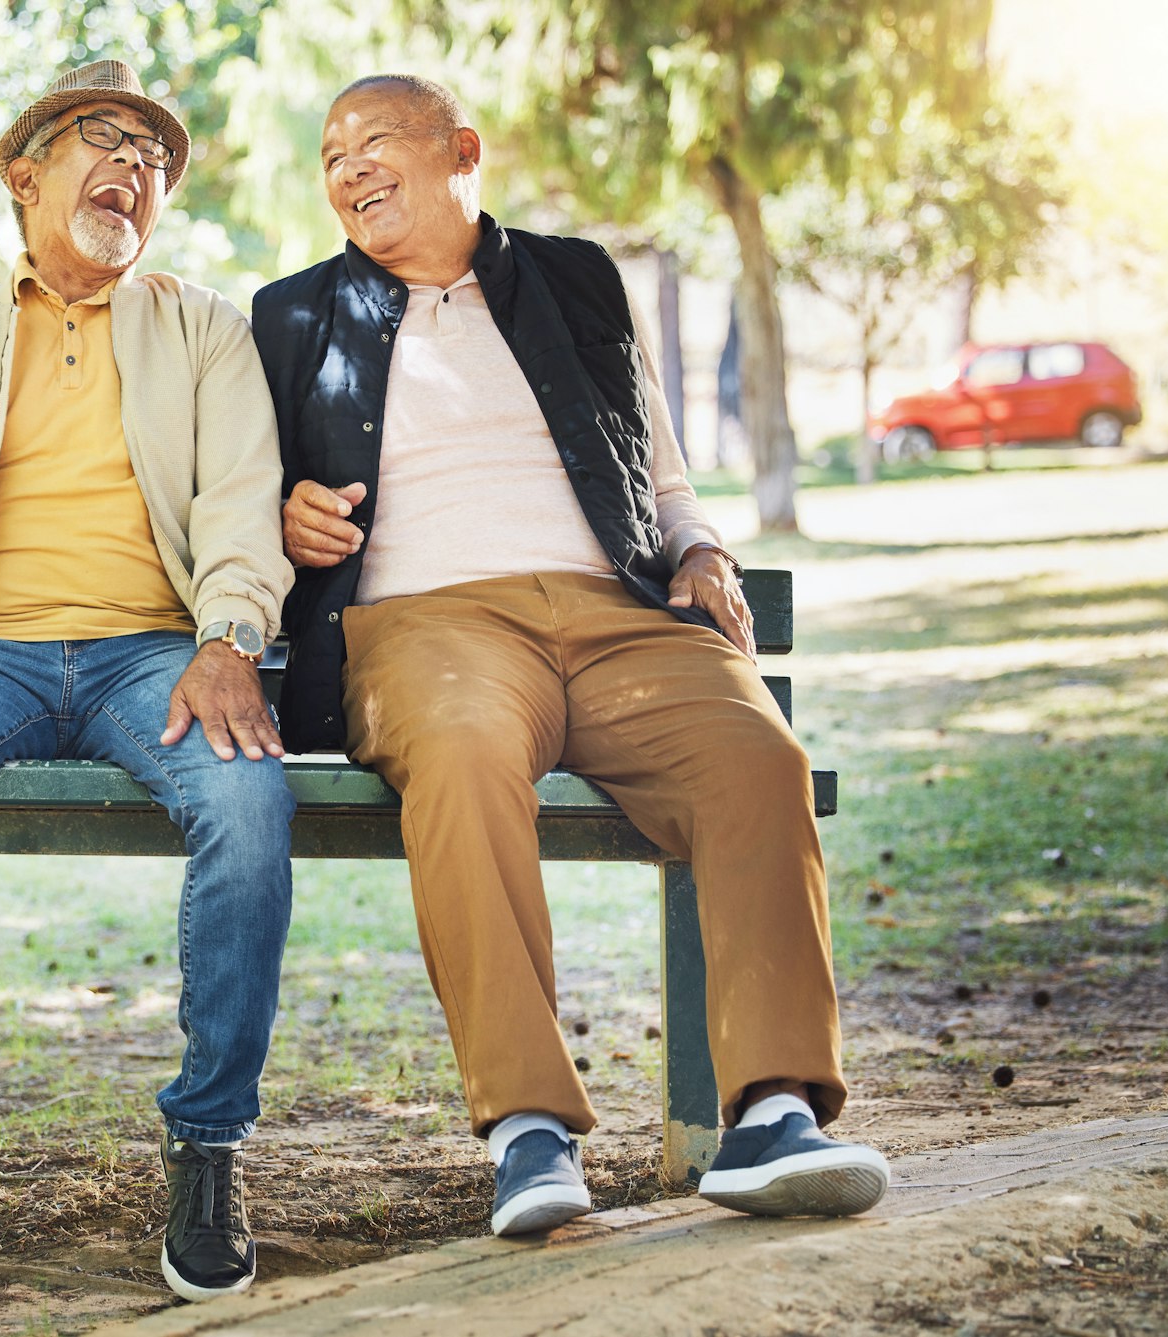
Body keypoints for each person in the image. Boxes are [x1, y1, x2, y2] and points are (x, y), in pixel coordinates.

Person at [251, 74, 889, 1235]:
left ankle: (775, 1111)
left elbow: (660, 469)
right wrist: (281, 516)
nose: (347, 169)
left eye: (374, 142)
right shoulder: (292, 317)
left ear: (460, 149)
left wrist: (697, 550)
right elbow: (236, 498)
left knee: (756, 756)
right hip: (426, 625)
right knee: (458, 753)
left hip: (617, 611)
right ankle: (527, 1130)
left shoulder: (576, 279)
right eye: (331, 155)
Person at [0, 60, 294, 1300]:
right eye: (103, 137)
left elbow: (243, 504)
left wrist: (228, 636)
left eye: (153, 154)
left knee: (246, 804)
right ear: (24, 174)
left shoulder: (203, 329)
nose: (133, 165)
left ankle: (207, 1144)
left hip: (154, 657)